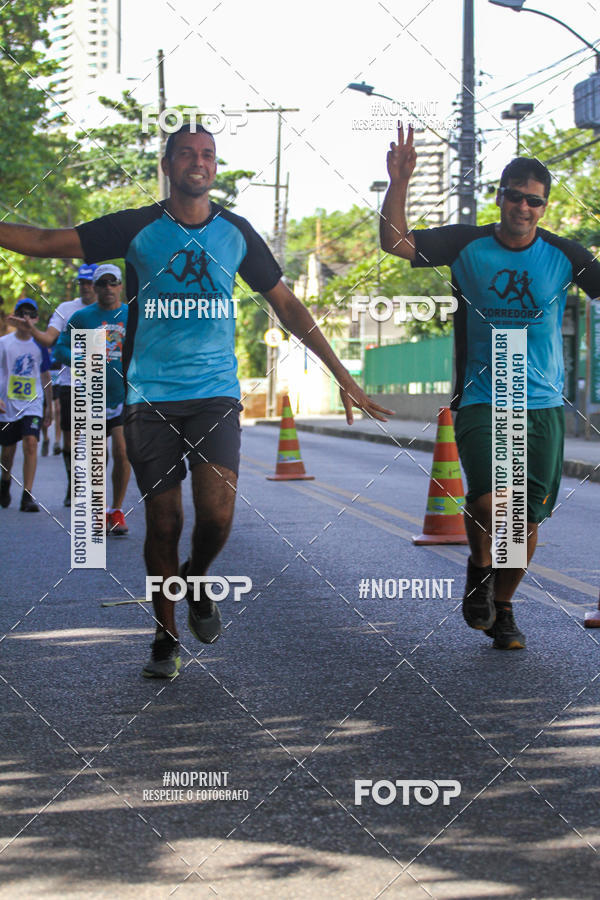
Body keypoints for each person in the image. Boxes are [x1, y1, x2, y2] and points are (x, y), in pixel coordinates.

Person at [0, 122, 391, 678]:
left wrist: (342, 373)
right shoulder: (138, 228)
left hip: (214, 395)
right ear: (168, 164)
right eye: (186, 153)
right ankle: (164, 637)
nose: (198, 162)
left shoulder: (236, 232)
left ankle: (197, 576)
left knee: (217, 513)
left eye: (208, 154)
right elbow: (45, 241)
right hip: (149, 397)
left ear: (215, 165)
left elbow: (287, 305)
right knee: (163, 521)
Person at [381, 124, 600, 651]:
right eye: (515, 197)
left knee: (524, 519)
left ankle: (502, 608)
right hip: (483, 396)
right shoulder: (467, 245)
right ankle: (480, 563)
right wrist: (399, 181)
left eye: (535, 201)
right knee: (490, 505)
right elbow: (395, 241)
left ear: (544, 207)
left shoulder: (565, 255)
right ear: (499, 197)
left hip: (544, 404)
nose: (524, 208)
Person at [9, 264, 98, 505]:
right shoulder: (66, 309)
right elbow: (49, 339)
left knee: (100, 440)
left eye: (90, 282)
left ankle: (95, 491)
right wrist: (32, 330)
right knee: (71, 440)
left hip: (102, 383)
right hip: (72, 383)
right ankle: (74, 485)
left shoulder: (110, 309)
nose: (86, 287)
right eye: (82, 282)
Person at [53, 263, 130, 536]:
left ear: (120, 285)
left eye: (113, 283)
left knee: (122, 452)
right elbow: (59, 348)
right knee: (97, 456)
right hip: (91, 395)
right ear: (95, 288)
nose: (107, 288)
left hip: (123, 395)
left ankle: (116, 510)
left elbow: (151, 346)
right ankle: (98, 511)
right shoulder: (83, 317)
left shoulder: (131, 315)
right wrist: (79, 359)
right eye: (102, 283)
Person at [0, 299, 52, 512]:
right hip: (8, 404)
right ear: (15, 316)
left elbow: (45, 375)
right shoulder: (4, 343)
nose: (26, 319)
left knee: (31, 442)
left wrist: (50, 405)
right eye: (22, 314)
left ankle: (27, 495)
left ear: (36, 319)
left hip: (33, 404)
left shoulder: (40, 345)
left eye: (31, 315)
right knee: (8, 452)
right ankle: (5, 482)